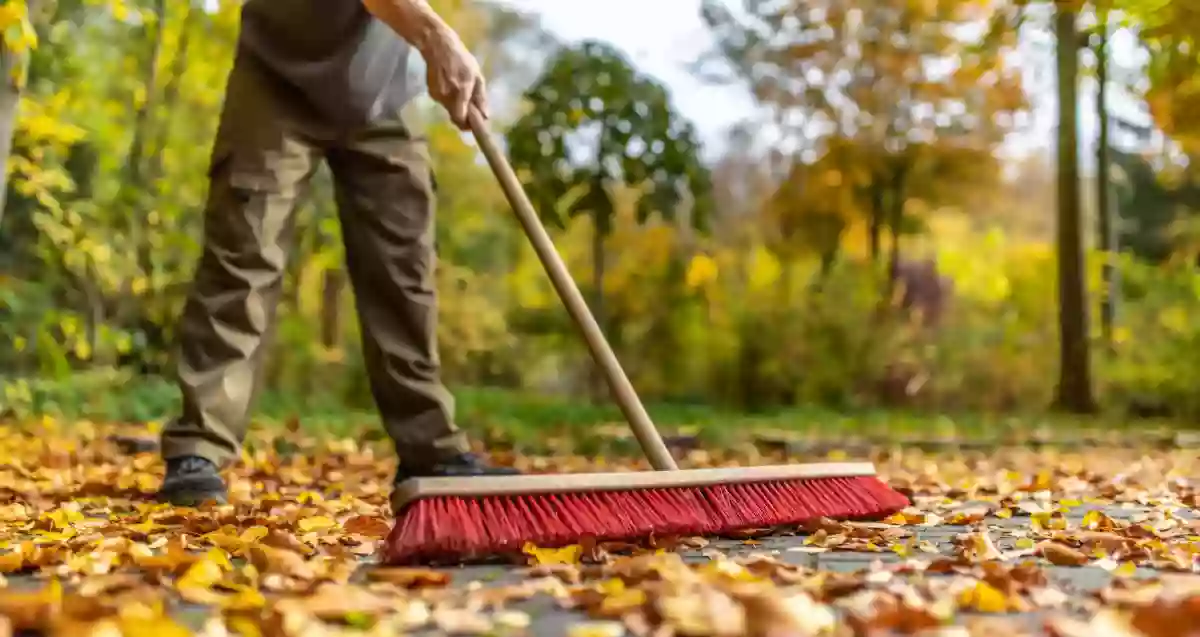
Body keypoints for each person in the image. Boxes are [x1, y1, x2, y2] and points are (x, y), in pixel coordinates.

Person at [156, 0, 519, 506]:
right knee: (243, 257)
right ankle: (200, 444)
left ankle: (432, 449)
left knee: (405, 271)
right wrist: (437, 36)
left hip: (382, 91)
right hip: (275, 80)